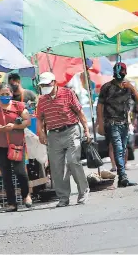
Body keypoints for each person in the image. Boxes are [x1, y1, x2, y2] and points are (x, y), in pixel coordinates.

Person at [36, 72, 90, 207]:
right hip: (53, 135)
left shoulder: (68, 93)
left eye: (47, 84)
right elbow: (39, 118)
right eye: (42, 85)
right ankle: (63, 198)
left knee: (73, 161)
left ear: (54, 82)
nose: (45, 86)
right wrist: (41, 133)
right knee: (56, 167)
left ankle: (83, 191)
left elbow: (79, 112)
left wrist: (86, 130)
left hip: (71, 131)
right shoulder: (42, 100)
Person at [0, 83, 32, 212]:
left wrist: (14, 126)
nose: (5, 96)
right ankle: (11, 203)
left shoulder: (18, 106)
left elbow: (27, 121)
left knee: (20, 172)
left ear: (11, 94)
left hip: (16, 145)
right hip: (0, 146)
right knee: (6, 175)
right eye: (2, 94)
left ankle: (26, 195)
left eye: (7, 94)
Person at [97, 62, 138, 187]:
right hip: (112, 123)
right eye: (118, 72)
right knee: (118, 149)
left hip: (124, 123)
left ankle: (122, 177)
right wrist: (100, 123)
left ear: (125, 73)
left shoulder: (128, 87)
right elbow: (100, 106)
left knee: (122, 149)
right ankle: (123, 177)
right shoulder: (106, 87)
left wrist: (132, 88)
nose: (120, 74)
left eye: (122, 72)